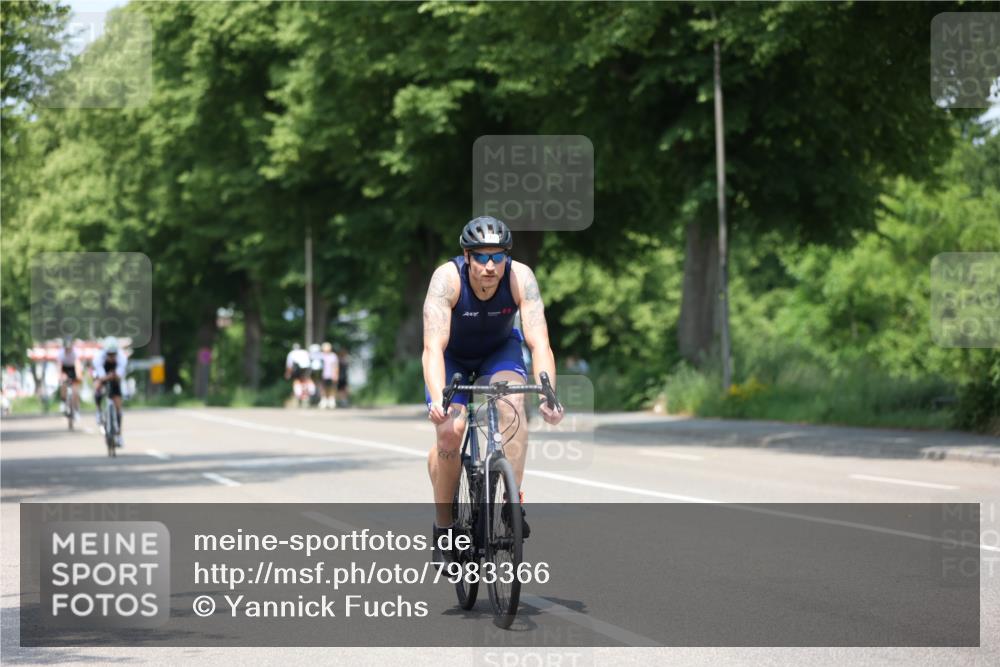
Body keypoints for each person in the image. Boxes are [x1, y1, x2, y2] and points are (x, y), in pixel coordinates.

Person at [422, 216, 563, 559]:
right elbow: (433, 348)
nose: (489, 266)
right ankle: (444, 526)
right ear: (467, 256)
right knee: (450, 433)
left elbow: (539, 343)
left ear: (506, 258)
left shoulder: (520, 278)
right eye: (481, 257)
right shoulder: (446, 280)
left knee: (512, 405)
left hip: (499, 354)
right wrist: (440, 397)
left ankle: (511, 504)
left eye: (497, 257)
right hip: (452, 356)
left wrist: (549, 393)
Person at [93, 336, 128, 447]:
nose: (112, 356)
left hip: (115, 375)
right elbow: (101, 376)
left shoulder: (122, 357)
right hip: (103, 373)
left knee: (118, 405)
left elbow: (119, 376)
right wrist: (106, 378)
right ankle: (99, 410)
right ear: (105, 352)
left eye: (114, 354)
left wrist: (114, 376)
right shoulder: (98, 357)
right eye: (109, 354)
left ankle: (118, 435)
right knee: (98, 385)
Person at [56, 337, 82, 421]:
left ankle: (76, 410)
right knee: (63, 383)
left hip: (73, 368)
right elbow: (59, 366)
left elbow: (77, 364)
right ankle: (63, 401)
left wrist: (78, 375)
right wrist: (60, 376)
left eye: (69, 348)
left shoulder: (75, 352)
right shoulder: (61, 353)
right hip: (64, 368)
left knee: (75, 392)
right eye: (66, 348)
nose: (68, 349)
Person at [284, 343, 313, 407]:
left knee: (296, 380)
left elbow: (289, 366)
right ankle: (308, 393)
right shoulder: (304, 352)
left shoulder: (291, 353)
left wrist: (288, 373)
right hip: (307, 367)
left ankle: (299, 395)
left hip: (298, 367)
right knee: (306, 380)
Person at [320, 342, 339, 409]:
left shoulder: (333, 356)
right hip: (322, 374)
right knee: (323, 388)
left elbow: (335, 366)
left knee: (332, 388)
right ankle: (324, 400)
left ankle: (331, 400)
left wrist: (336, 374)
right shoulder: (320, 355)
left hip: (331, 374)